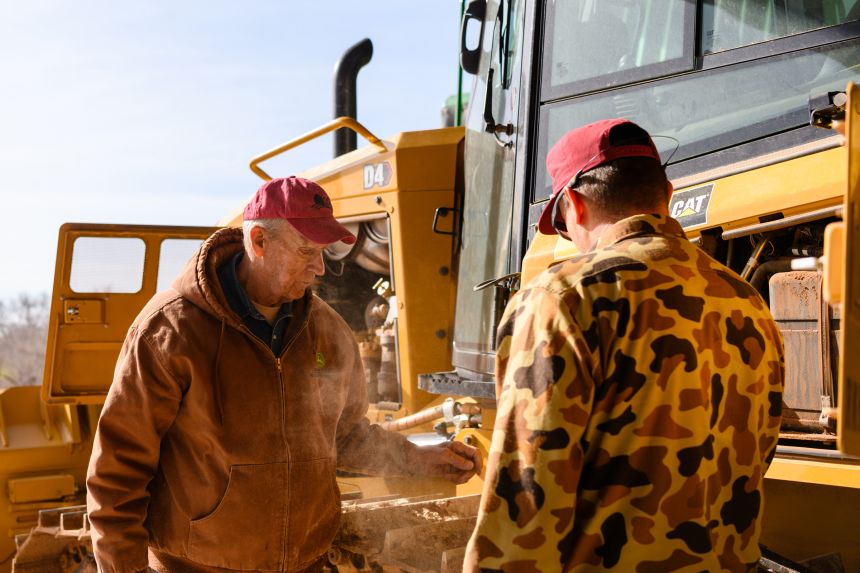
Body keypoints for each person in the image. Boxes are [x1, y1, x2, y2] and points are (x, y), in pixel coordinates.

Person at [86, 176, 481, 573]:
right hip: (197, 567)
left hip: (305, 564)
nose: (319, 268)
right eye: (307, 250)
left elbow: (345, 434)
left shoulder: (328, 333)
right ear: (258, 241)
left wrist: (415, 458)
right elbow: (117, 473)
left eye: (323, 252)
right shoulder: (170, 332)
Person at [464, 119, 784, 572]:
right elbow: (758, 456)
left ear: (573, 205)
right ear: (667, 195)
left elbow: (527, 499)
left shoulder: (563, 298)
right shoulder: (748, 299)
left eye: (561, 225)